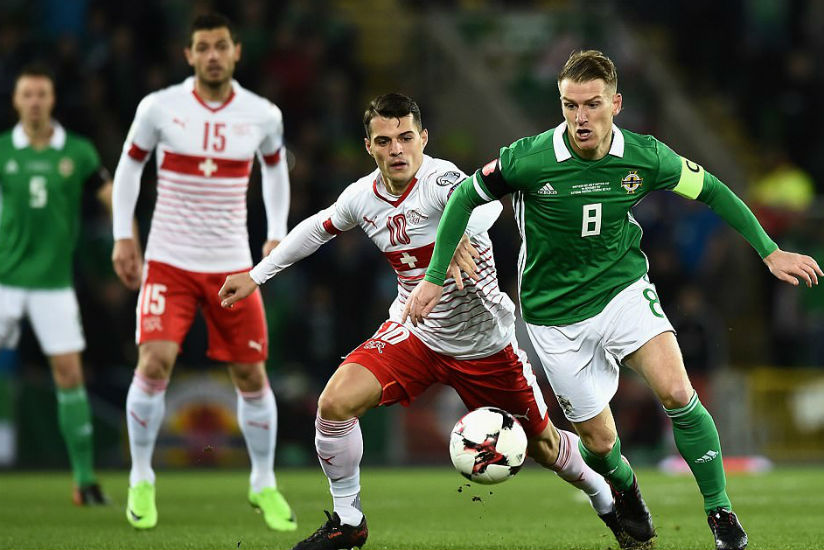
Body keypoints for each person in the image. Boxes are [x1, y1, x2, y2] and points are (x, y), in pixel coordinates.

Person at [404, 50, 823, 550]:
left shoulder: (646, 155)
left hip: (621, 291)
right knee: (602, 445)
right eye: (569, 105)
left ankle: (721, 514)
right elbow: (462, 198)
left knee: (677, 393)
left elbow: (711, 190)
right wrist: (433, 275)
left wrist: (769, 250)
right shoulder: (527, 158)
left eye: (592, 104)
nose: (580, 117)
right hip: (554, 318)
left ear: (616, 103)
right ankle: (626, 490)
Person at [219, 93, 632, 550]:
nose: (396, 149)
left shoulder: (442, 180)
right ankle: (348, 519)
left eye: (406, 138)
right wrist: (256, 276)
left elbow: (489, 206)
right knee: (334, 404)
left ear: (423, 139)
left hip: (485, 346)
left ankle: (605, 499)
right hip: (415, 334)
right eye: (384, 140)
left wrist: (458, 229)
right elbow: (318, 228)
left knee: (546, 448)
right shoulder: (362, 197)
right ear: (369, 146)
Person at [110, 13, 294, 531]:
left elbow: (276, 168)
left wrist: (276, 232)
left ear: (236, 51)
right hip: (168, 260)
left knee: (251, 374)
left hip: (232, 264)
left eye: (220, 46)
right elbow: (129, 167)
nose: (212, 55)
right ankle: (141, 476)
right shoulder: (158, 108)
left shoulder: (262, 115)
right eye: (202, 47)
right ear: (188, 55)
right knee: (154, 363)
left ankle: (263, 483)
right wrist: (125, 234)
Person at [0, 65, 111, 505]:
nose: (34, 101)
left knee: (70, 375)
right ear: (16, 101)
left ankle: (84, 480)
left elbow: (108, 192)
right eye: (27, 94)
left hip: (53, 285)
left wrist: (127, 236)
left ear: (51, 100)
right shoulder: (3, 150)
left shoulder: (78, 152)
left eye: (41, 94)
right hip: (4, 280)